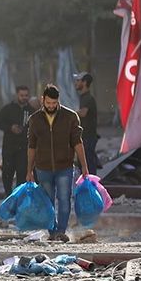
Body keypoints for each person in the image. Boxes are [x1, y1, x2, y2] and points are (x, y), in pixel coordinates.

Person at [26, 85, 90, 242]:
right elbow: (32, 146)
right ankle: (52, 231)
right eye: (48, 103)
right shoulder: (35, 120)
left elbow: (77, 142)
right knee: (47, 202)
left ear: (58, 101)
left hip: (65, 167)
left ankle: (61, 232)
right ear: (43, 100)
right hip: (43, 168)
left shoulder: (70, 117)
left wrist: (84, 166)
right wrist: (29, 170)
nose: (51, 106)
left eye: (54, 103)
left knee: (64, 199)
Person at [0, 85, 36, 195]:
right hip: (9, 147)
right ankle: (8, 194)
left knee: (22, 173)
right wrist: (10, 128)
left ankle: (19, 196)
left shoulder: (32, 111)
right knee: (7, 172)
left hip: (24, 148)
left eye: (26, 96)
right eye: (22, 95)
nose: (24, 98)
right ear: (17, 95)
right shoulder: (8, 109)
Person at [74, 73, 101, 175]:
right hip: (84, 136)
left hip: (88, 137)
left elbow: (83, 113)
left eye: (78, 81)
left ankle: (91, 187)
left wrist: (70, 113)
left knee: (88, 165)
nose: (76, 83)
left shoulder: (88, 98)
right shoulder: (83, 97)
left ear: (84, 82)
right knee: (83, 164)